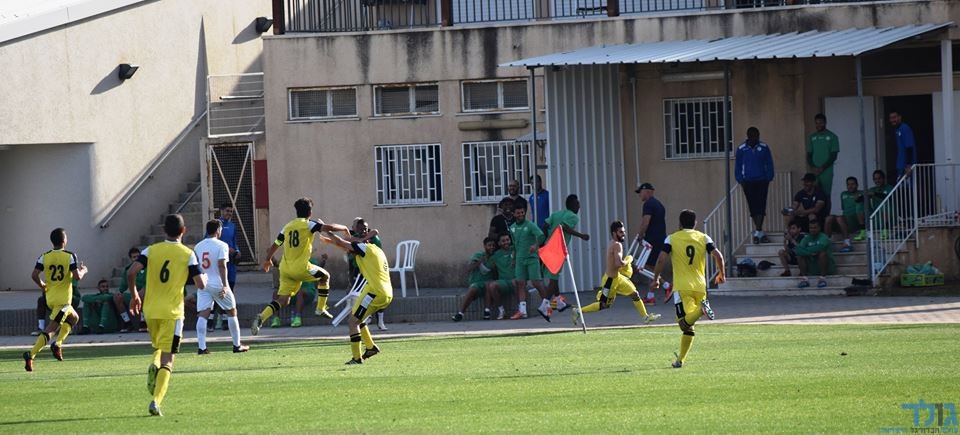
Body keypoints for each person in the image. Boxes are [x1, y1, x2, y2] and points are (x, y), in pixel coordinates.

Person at [126, 214, 206, 416]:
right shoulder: (187, 253)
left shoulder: (151, 250)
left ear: (164, 230)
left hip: (151, 311)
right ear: (183, 231)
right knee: (168, 360)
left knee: (159, 348)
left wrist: (135, 296)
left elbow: (131, 272)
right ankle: (156, 401)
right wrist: (203, 276)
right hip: (172, 313)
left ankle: (154, 364)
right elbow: (200, 284)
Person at [253, 197, 350, 335]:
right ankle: (320, 308)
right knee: (325, 277)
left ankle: (262, 317)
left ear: (297, 211)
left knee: (283, 300)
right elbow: (331, 228)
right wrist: (344, 228)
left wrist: (267, 260)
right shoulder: (309, 224)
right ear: (310, 212)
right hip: (301, 268)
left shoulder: (288, 226)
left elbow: (275, 244)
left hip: (285, 269)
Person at [651, 209, 726, 369]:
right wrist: (721, 274)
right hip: (700, 287)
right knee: (689, 326)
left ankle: (701, 310)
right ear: (695, 223)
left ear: (679, 223)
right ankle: (680, 360)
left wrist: (656, 278)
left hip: (682, 288)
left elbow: (661, 259)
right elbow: (718, 256)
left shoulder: (672, 238)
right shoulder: (704, 237)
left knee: (683, 325)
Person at [319, 232, 394, 365]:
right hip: (384, 292)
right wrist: (330, 241)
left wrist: (326, 230)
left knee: (353, 322)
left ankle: (357, 358)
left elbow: (344, 243)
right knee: (358, 318)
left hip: (374, 292)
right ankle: (370, 347)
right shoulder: (376, 250)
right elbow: (347, 246)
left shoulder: (365, 248)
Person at [23, 228, 88, 372]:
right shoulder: (70, 256)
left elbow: (34, 275)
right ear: (64, 240)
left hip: (50, 298)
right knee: (51, 329)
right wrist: (83, 270)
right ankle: (31, 354)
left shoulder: (44, 256)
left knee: (74, 318)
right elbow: (77, 276)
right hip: (62, 301)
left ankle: (57, 344)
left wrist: (42, 285)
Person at [571, 220, 661, 324]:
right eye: (621, 232)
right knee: (603, 305)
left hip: (618, 278)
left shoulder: (614, 243)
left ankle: (645, 317)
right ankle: (578, 311)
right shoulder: (617, 245)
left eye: (624, 231)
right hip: (610, 281)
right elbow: (619, 263)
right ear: (614, 233)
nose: (624, 234)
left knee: (634, 294)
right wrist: (629, 260)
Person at [194, 219, 249, 354]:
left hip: (204, 282)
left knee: (203, 313)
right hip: (217, 282)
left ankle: (202, 347)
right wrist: (225, 285)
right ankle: (237, 345)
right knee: (231, 311)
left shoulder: (198, 246)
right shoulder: (222, 245)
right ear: (218, 230)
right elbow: (221, 265)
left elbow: (196, 266)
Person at [542, 194, 589, 314]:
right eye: (577, 204)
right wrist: (581, 236)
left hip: (548, 247)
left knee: (554, 276)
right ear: (572, 205)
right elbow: (564, 227)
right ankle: (544, 305)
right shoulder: (573, 216)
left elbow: (545, 225)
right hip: (558, 250)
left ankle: (558, 301)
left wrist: (547, 239)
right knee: (553, 279)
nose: (579, 206)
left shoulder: (556, 214)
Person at [508, 197, 550, 321]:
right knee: (520, 283)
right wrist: (513, 258)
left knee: (536, 282)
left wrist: (535, 246)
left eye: (522, 212)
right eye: (518, 213)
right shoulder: (512, 227)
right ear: (513, 214)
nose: (521, 215)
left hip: (532, 258)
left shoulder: (530, 225)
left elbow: (541, 236)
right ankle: (522, 311)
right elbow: (514, 245)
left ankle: (547, 305)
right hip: (520, 260)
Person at [734, 126, 775, 244]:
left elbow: (769, 163)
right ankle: (759, 232)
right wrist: (740, 180)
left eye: (756, 136)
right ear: (748, 136)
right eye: (752, 136)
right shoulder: (741, 149)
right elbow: (738, 166)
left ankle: (758, 231)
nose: (755, 138)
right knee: (752, 206)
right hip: (748, 182)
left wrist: (769, 177)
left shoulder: (764, 147)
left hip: (762, 181)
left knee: (761, 205)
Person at [348, 217, 386, 330]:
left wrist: (363, 240)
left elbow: (375, 231)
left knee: (378, 293)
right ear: (355, 228)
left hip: (374, 272)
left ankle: (380, 320)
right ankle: (365, 317)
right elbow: (349, 244)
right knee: (359, 294)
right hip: (359, 270)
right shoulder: (354, 237)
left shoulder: (373, 238)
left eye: (365, 228)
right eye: (359, 228)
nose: (363, 231)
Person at [634, 182, 668, 304]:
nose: (639, 195)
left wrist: (640, 236)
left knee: (643, 267)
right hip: (660, 239)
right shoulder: (659, 204)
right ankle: (651, 295)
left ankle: (666, 285)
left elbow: (645, 222)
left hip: (652, 240)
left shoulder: (648, 204)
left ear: (648, 191)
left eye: (641, 192)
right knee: (652, 267)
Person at [452, 237, 497, 322]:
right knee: (473, 288)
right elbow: (469, 268)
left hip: (488, 284)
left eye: (493, 245)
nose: (492, 247)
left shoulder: (495, 257)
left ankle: (487, 312)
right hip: (477, 283)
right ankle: (460, 313)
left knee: (489, 285)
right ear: (484, 246)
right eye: (489, 245)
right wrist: (480, 261)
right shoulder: (478, 255)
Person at [212, 203, 240, 331]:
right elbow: (211, 241)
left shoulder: (233, 226)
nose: (229, 213)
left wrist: (237, 251)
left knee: (230, 290)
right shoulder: (216, 225)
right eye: (227, 211)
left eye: (231, 211)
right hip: (219, 263)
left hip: (231, 264)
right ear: (221, 211)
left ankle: (225, 320)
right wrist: (226, 249)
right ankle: (214, 320)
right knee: (218, 290)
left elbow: (235, 242)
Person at [283, 254, 327, 328]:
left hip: (308, 291)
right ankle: (276, 319)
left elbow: (319, 268)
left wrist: (323, 261)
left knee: (300, 292)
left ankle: (297, 317)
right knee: (276, 293)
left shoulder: (310, 261)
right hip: (293, 291)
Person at [825, 176, 866, 252]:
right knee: (828, 218)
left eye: (852, 184)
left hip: (856, 221)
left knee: (839, 218)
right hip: (845, 222)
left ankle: (847, 242)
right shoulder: (843, 194)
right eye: (848, 184)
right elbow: (843, 208)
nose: (850, 186)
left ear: (857, 185)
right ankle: (827, 243)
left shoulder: (861, 193)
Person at [794, 219, 835, 289]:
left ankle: (822, 279)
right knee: (800, 256)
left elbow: (820, 247)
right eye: (811, 228)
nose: (812, 230)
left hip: (826, 268)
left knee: (822, 254)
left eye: (815, 228)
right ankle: (805, 279)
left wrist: (806, 250)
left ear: (819, 228)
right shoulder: (806, 238)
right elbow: (798, 250)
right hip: (812, 267)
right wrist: (810, 253)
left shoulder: (824, 237)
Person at [807, 113, 840, 195]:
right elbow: (809, 154)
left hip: (826, 171)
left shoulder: (832, 136)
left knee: (826, 195)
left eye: (821, 123)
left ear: (825, 123)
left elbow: (834, 155)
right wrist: (813, 167)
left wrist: (823, 168)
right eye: (816, 123)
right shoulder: (811, 137)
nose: (818, 125)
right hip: (814, 171)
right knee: (813, 194)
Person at [487, 233, 517, 320]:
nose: (506, 242)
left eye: (507, 240)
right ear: (499, 243)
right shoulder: (496, 255)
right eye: (503, 241)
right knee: (492, 286)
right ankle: (501, 310)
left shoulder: (515, 249)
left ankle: (520, 309)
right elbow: (487, 268)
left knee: (515, 282)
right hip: (503, 282)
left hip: (516, 279)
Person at [118, 247, 147, 332]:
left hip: (146, 291)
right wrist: (120, 292)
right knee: (117, 297)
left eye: (138, 256)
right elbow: (123, 286)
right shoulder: (128, 269)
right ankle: (127, 322)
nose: (136, 259)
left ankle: (143, 321)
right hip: (134, 293)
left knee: (142, 293)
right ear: (131, 259)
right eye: (134, 257)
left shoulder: (146, 267)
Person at [866, 169, 894, 240]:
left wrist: (875, 194)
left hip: (889, 217)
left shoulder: (889, 187)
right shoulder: (872, 189)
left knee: (884, 205)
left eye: (879, 178)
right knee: (861, 206)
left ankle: (885, 230)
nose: (877, 180)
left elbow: (887, 197)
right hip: (876, 217)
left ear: (884, 178)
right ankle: (862, 230)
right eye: (875, 179)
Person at [889, 110, 916, 179]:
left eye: (894, 117)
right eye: (891, 118)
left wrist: (908, 166)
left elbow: (909, 147)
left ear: (899, 117)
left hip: (906, 167)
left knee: (908, 185)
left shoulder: (905, 128)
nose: (892, 120)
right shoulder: (897, 130)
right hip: (900, 165)